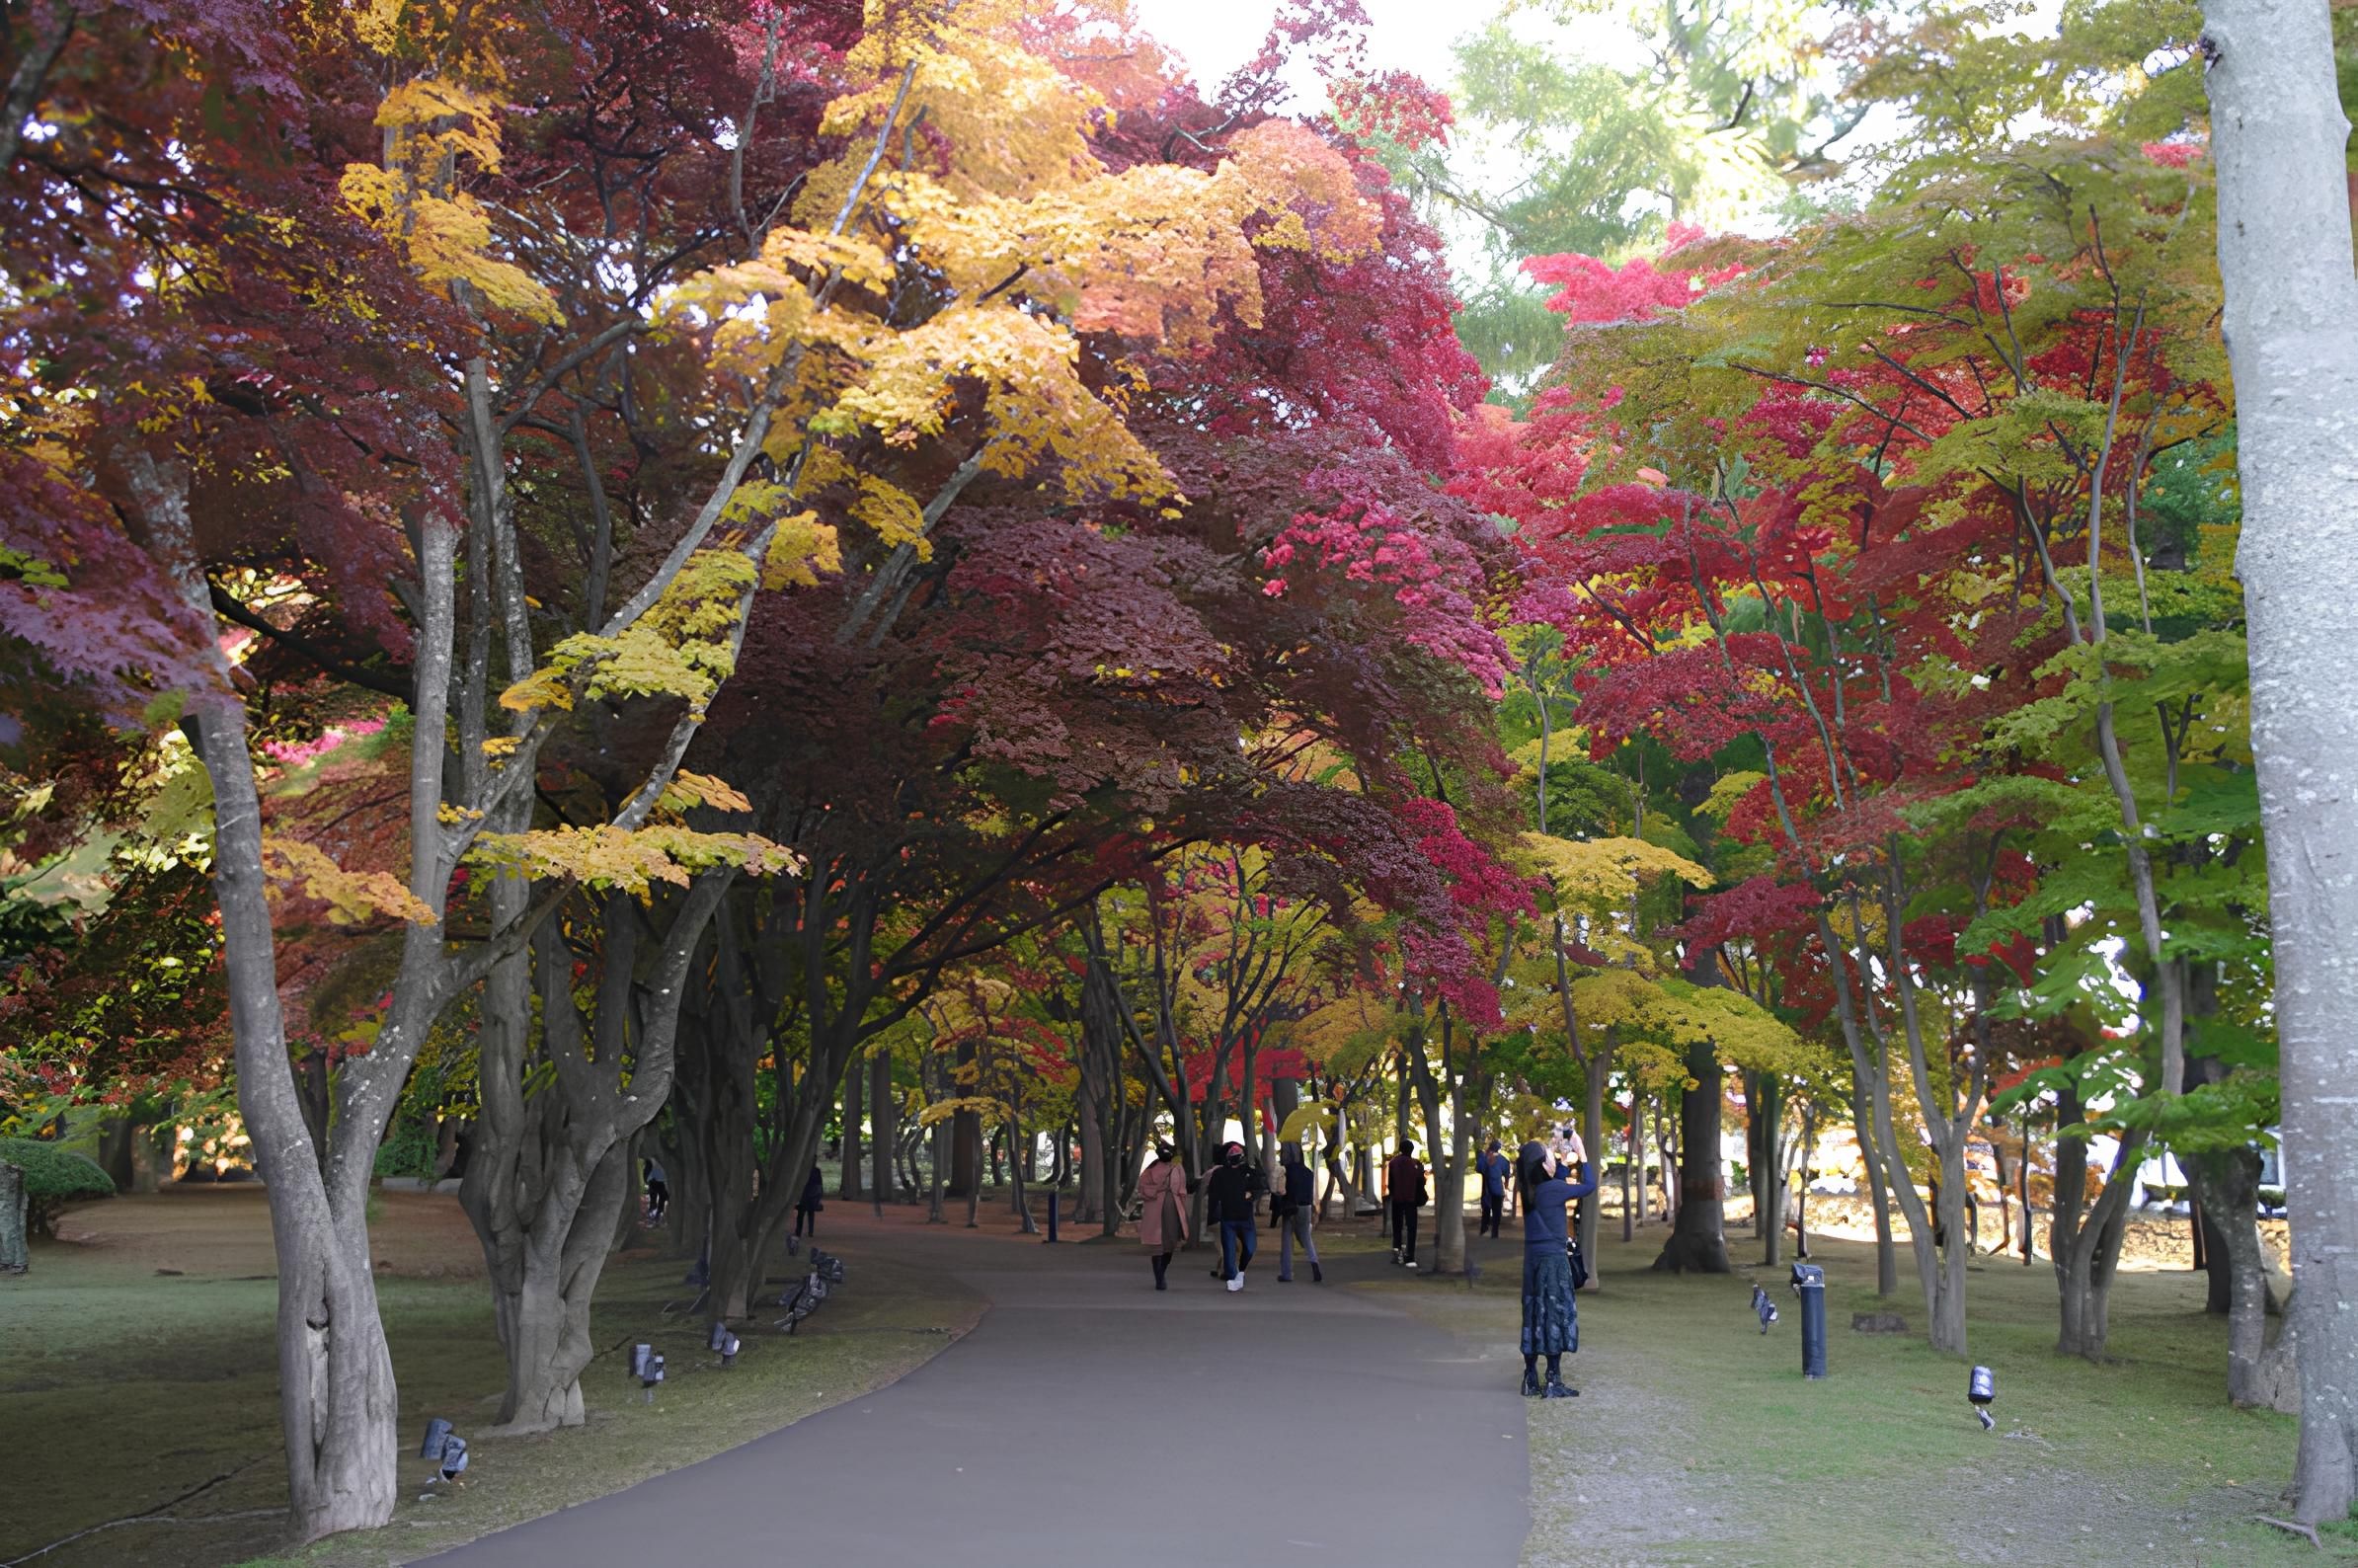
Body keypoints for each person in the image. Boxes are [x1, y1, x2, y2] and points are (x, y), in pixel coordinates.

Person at [1519, 1134, 1598, 1398]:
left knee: (1532, 1313)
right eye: (1548, 1155)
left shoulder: (1531, 1189)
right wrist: (1581, 1152)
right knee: (1555, 1314)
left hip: (1532, 1260)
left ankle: (1530, 1377)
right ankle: (1553, 1379)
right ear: (1543, 1166)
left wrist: (1559, 1155)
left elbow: (1556, 1176)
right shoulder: (1553, 1190)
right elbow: (1589, 1186)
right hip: (1553, 1260)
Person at [1204, 1140, 1264, 1293]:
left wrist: (1251, 1195)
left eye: (1238, 1156)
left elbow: (1260, 1186)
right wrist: (1212, 1215)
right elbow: (1213, 1195)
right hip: (1227, 1218)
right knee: (1228, 1251)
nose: (1236, 1158)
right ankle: (1232, 1278)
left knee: (1250, 1248)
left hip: (1245, 1217)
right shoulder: (1219, 1174)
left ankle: (1241, 1271)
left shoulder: (1249, 1172)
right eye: (1233, 1156)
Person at [1138, 1142, 1192, 1290]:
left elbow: (1182, 1188)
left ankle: (1162, 1271)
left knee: (1170, 1244)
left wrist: (1182, 1205)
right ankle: (1159, 1278)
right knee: (1157, 1245)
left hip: (1173, 1208)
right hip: (1155, 1209)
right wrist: (1158, 1188)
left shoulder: (1177, 1167)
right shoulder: (1150, 1169)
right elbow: (1142, 1189)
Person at [1275, 1141, 1323, 1284]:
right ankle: (1314, 1264)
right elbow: (1312, 1193)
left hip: (1289, 1207)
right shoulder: (1308, 1172)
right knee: (1306, 1238)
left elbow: (1280, 1190)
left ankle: (1287, 1273)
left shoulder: (1285, 1170)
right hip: (1305, 1207)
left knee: (1287, 1240)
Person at [1385, 1139, 1428, 1269]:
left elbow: (1390, 1183)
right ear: (1411, 1150)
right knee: (1411, 1228)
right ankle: (1410, 1256)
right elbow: (1421, 1181)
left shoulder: (1393, 1163)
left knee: (1397, 1226)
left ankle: (1397, 1254)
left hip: (1397, 1198)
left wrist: (1393, 1194)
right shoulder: (1416, 1163)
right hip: (1411, 1199)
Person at [1475, 1138, 1510, 1237]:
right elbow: (1506, 1174)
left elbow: (1478, 1169)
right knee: (1497, 1211)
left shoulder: (1483, 1158)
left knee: (1486, 1209)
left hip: (1486, 1187)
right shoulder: (1503, 1160)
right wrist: (1506, 1185)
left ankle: (1484, 1227)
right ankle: (1494, 1231)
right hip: (1497, 1189)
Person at [794, 1163, 825, 1237]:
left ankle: (799, 1232)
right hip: (812, 1195)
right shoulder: (816, 1170)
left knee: (801, 1214)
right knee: (810, 1214)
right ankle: (810, 1232)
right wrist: (819, 1196)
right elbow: (820, 1184)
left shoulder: (802, 1169)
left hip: (805, 1194)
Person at [643, 1156, 668, 1221]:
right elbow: (647, 1169)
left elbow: (646, 1169)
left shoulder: (652, 1158)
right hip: (656, 1179)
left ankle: (657, 1213)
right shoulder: (651, 1158)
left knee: (659, 1196)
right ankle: (655, 1212)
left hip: (658, 1180)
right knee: (656, 1196)